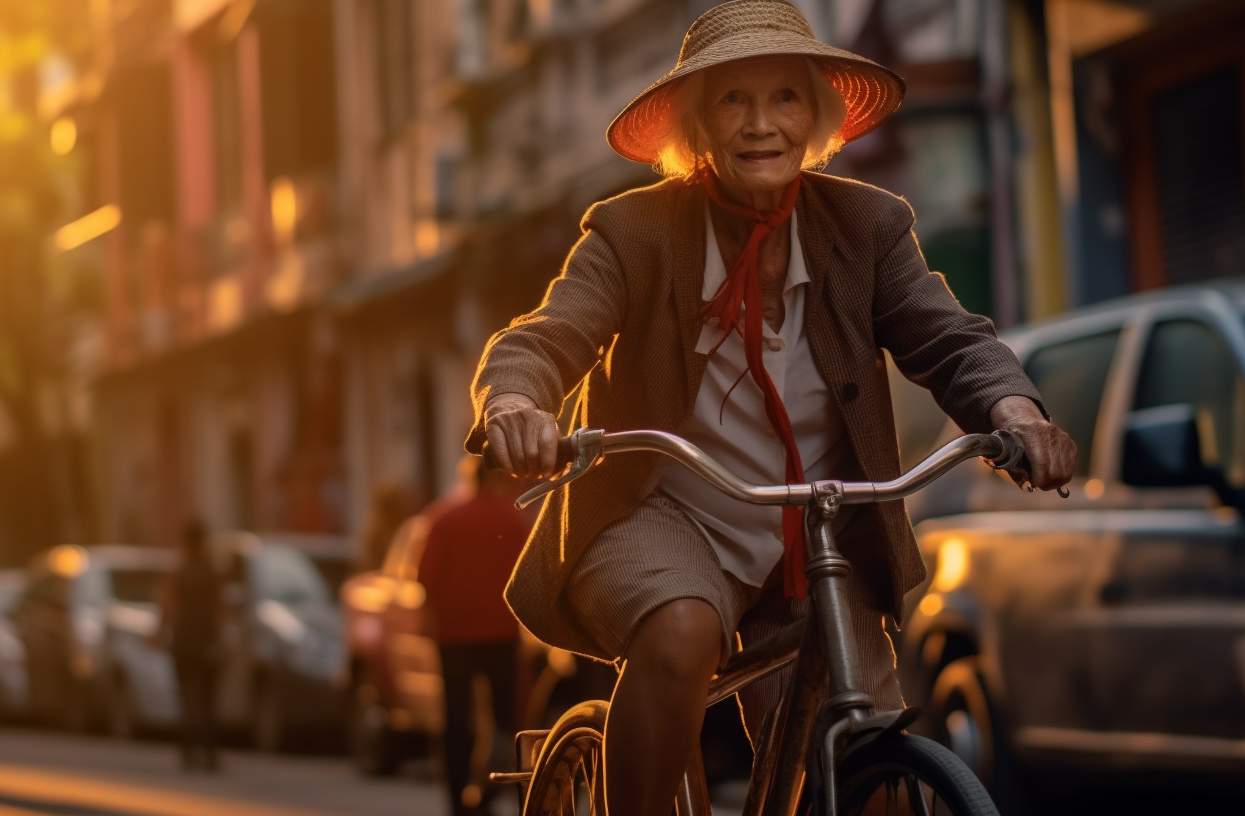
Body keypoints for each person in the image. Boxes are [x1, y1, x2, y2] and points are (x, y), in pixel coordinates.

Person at [467, 3, 1077, 815]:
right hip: (662, 512)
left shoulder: (868, 225)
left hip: (815, 530)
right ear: (698, 123)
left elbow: (951, 338)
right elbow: (547, 336)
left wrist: (1018, 413)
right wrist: (518, 403)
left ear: (816, 115)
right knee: (680, 627)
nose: (761, 125)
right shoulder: (633, 231)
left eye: (785, 98)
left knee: (872, 757)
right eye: (732, 100)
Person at [416, 461, 532, 816]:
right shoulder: (512, 520)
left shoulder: (443, 519)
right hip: (501, 633)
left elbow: (424, 576)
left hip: (453, 636)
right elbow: (529, 576)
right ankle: (503, 793)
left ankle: (457, 802)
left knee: (455, 720)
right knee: (506, 721)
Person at [162, 519, 224, 772]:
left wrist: (160, 632)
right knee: (209, 700)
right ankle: (209, 753)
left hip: (183, 641)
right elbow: (222, 609)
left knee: (186, 698)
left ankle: (188, 752)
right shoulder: (213, 572)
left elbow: (168, 606)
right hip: (207, 641)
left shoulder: (179, 571)